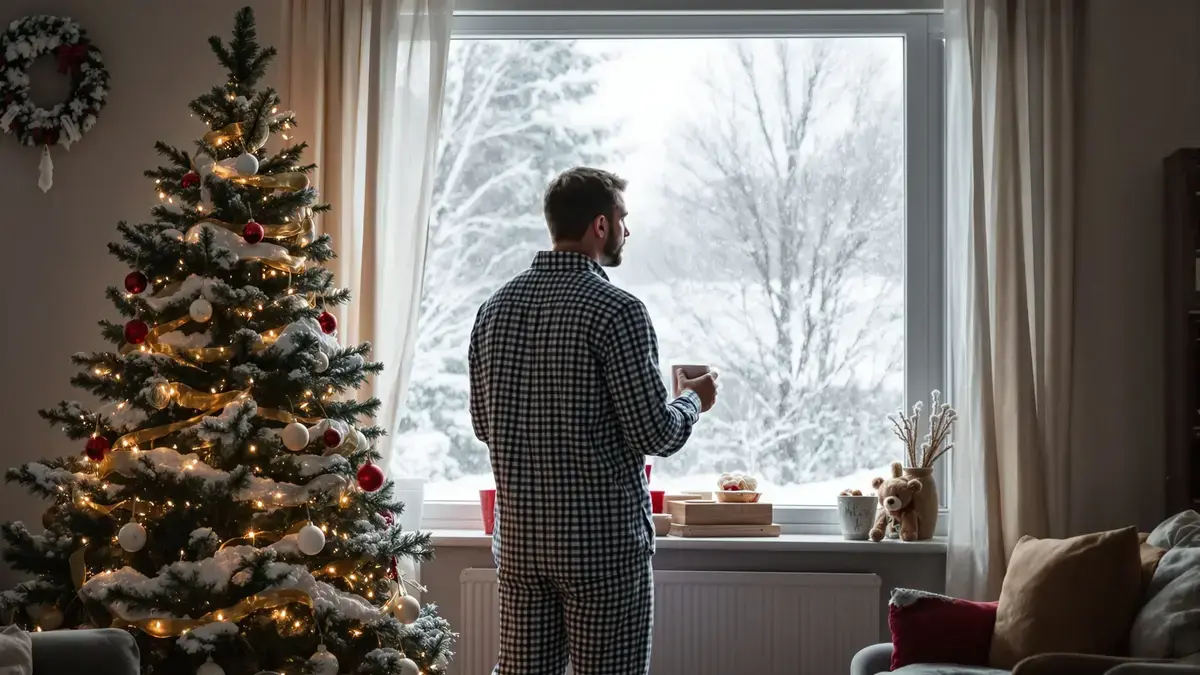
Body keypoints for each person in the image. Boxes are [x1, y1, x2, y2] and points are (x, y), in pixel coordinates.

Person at [468, 167, 719, 675]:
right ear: (600, 226)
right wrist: (694, 400)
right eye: (624, 218)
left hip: (521, 545)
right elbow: (655, 433)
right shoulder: (617, 311)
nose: (628, 230)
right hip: (600, 549)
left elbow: (484, 424)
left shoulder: (493, 311)